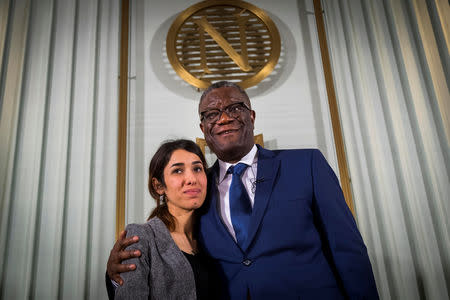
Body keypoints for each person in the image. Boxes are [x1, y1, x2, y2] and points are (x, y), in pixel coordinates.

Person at [107, 81, 379, 299]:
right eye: (212, 114)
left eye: (235, 108)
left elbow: (347, 249)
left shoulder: (306, 164)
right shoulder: (197, 191)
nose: (224, 118)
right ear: (204, 128)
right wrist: (114, 273)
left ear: (251, 115)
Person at [111, 139, 218, 299]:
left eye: (197, 168)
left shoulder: (213, 236)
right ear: (159, 186)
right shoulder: (140, 237)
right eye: (178, 171)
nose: (192, 179)